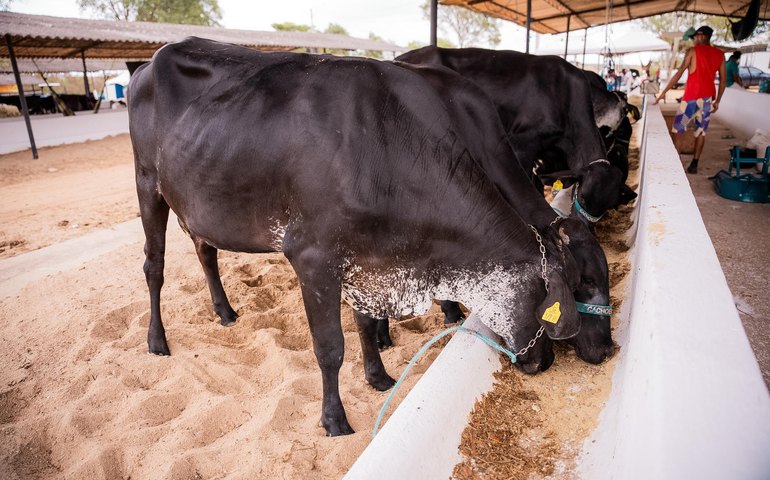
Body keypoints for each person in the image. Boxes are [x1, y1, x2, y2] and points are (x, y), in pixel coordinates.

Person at [654, 25, 726, 174]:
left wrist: (663, 93)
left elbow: (679, 73)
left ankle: (676, 159)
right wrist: (717, 101)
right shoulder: (720, 54)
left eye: (695, 37)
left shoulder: (693, 51)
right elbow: (723, 81)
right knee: (701, 132)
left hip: (691, 99)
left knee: (678, 129)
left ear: (702, 36)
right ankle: (694, 163)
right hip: (707, 99)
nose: (694, 40)